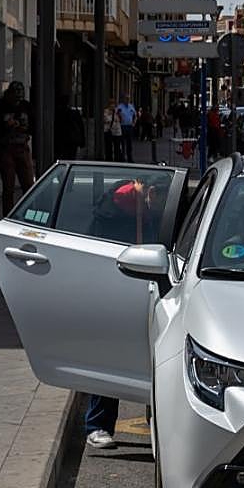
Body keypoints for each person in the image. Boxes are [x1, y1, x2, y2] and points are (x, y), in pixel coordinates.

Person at [83, 178, 164, 450]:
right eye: (154, 198)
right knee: (111, 356)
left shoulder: (146, 209)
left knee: (155, 359)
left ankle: (158, 422)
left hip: (150, 288)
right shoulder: (116, 209)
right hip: (116, 290)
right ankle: (98, 425)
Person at [0, 81, 35, 214]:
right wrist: (5, 124)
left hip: (22, 146)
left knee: (28, 185)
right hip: (7, 148)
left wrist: (22, 127)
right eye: (15, 95)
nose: (18, 98)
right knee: (8, 186)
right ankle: (9, 216)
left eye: (20, 95)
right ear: (9, 94)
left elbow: (34, 125)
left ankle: (26, 214)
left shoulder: (25, 106)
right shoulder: (0, 106)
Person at [53, 94, 86, 162]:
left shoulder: (59, 113)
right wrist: (82, 141)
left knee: (64, 156)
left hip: (64, 139)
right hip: (72, 139)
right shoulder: (74, 113)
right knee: (71, 157)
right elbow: (81, 126)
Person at [116, 96, 137, 161]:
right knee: (122, 143)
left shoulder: (131, 106)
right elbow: (116, 115)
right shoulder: (119, 107)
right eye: (126, 98)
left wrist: (134, 123)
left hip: (130, 127)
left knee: (129, 143)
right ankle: (122, 157)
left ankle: (130, 158)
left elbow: (135, 115)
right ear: (123, 99)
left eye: (128, 99)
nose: (127, 100)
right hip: (122, 126)